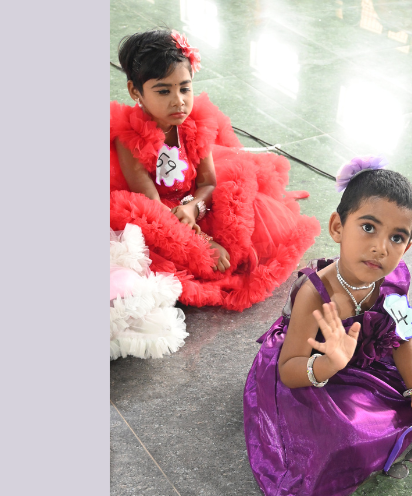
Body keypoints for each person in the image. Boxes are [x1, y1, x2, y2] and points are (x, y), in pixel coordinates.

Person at [243, 157, 412, 496]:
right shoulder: (315, 294)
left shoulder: (394, 281)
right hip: (314, 371)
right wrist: (330, 362)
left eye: (397, 237)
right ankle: (403, 427)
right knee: (346, 435)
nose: (380, 247)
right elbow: (289, 370)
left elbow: (404, 337)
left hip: (370, 357)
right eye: (369, 228)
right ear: (337, 227)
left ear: (406, 247)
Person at [110, 29, 320, 311]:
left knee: (246, 218)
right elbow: (153, 207)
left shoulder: (195, 123)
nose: (178, 100)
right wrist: (204, 241)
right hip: (159, 215)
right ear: (135, 91)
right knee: (177, 261)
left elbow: (208, 182)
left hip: (196, 202)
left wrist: (194, 208)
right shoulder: (130, 136)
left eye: (185, 88)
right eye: (163, 91)